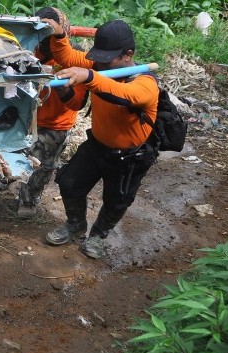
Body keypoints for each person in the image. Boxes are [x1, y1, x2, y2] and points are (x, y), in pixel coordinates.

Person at [43, 18, 159, 259]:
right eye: (99, 57)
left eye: (108, 58)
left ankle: (98, 235)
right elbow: (68, 57)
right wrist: (58, 36)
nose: (101, 63)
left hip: (129, 157)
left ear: (128, 55)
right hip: (97, 146)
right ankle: (75, 225)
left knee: (117, 200)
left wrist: (89, 76)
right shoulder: (100, 66)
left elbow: (124, 95)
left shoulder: (145, 83)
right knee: (69, 183)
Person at [17, 7, 88, 217]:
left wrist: (64, 87)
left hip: (54, 124)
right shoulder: (30, 50)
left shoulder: (75, 58)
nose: (45, 41)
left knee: (42, 165)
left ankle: (28, 201)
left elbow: (77, 104)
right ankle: (0, 182)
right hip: (25, 118)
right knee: (10, 156)